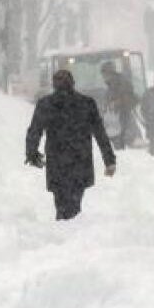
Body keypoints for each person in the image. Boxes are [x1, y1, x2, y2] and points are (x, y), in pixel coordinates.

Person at [25, 69, 116, 221]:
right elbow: (100, 134)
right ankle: (71, 225)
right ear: (73, 84)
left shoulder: (45, 104)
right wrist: (109, 160)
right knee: (75, 199)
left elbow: (35, 131)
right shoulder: (86, 103)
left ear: (54, 85)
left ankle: (63, 223)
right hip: (80, 160)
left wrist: (31, 153)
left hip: (57, 161)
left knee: (60, 199)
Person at [100, 61, 141, 150]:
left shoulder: (120, 82)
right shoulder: (111, 85)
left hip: (122, 116)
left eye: (104, 73)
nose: (103, 76)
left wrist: (117, 102)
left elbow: (128, 97)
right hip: (117, 119)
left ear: (109, 72)